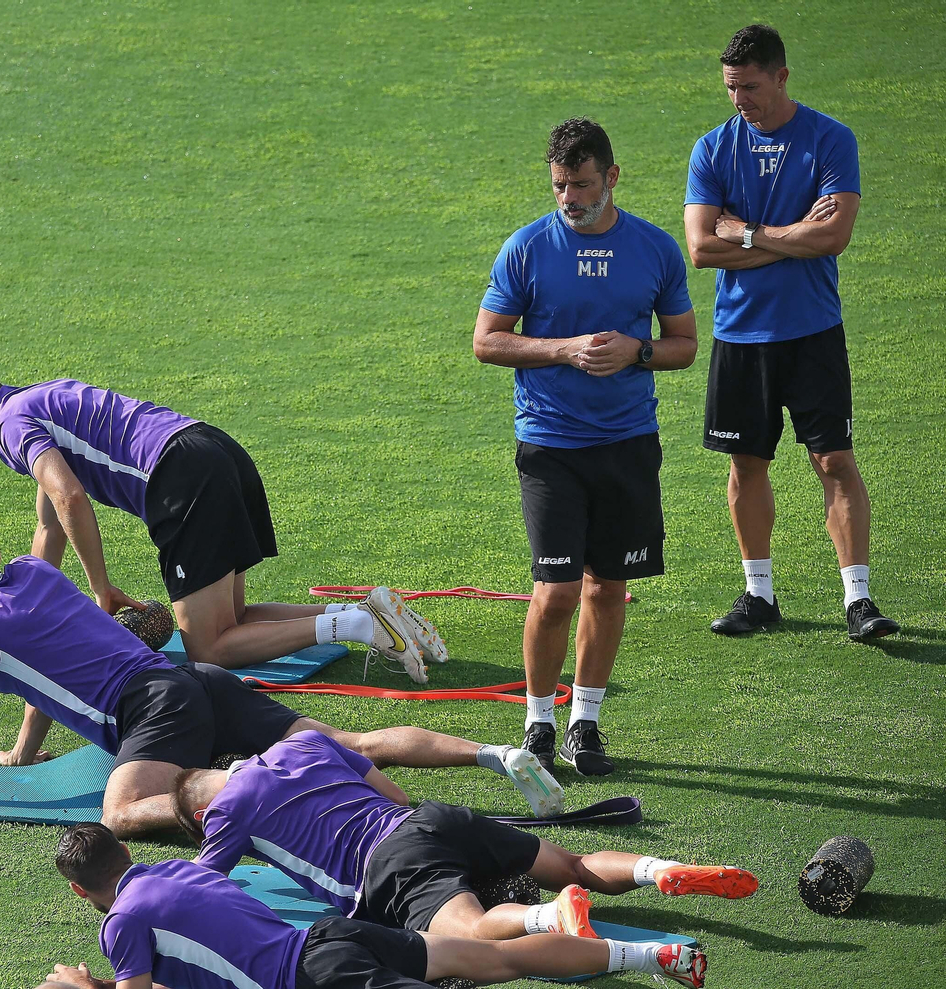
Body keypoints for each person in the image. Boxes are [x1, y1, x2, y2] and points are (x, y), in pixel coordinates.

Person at [0, 523, 563, 838]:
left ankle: (255, 790)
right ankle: (492, 757)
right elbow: (40, 680)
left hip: (149, 707)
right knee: (350, 743)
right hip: (195, 679)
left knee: (121, 813)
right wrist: (22, 755)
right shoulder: (32, 574)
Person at [0, 352, 448, 679]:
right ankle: (371, 610)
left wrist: (100, 590)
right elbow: (49, 524)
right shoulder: (33, 400)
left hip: (182, 479)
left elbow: (70, 497)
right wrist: (36, 608)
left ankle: (353, 625)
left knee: (208, 649)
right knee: (230, 622)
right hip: (214, 450)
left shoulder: (9, 424)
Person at [473, 118, 697, 776]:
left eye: (581, 185)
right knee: (556, 591)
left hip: (628, 444)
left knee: (607, 589)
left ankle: (586, 721)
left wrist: (640, 350)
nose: (569, 198)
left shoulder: (654, 250)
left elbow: (684, 344)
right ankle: (538, 719)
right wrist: (562, 349)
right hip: (550, 446)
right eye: (559, 186)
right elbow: (488, 340)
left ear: (612, 177)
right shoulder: (526, 248)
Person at [683, 24, 896, 642]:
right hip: (741, 335)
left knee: (833, 459)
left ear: (781, 76)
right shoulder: (712, 149)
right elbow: (700, 248)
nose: (739, 99)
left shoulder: (830, 139)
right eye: (730, 88)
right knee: (747, 463)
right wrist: (788, 237)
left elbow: (833, 237)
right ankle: (759, 595)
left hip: (812, 331)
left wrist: (747, 234)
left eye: (749, 86)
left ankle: (858, 600)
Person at [172, 730, 757, 943]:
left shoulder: (223, 814)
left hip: (388, 867)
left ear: (201, 814)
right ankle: (661, 870)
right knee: (575, 861)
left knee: (473, 933)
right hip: (430, 821)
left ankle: (550, 917)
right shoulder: (301, 745)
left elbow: (201, 888)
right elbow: (392, 793)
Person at [45, 822, 709, 989]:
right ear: (124, 851)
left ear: (81, 889)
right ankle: (657, 954)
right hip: (334, 938)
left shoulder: (121, 921)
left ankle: (657, 956)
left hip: (313, 976)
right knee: (496, 960)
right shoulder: (168, 873)